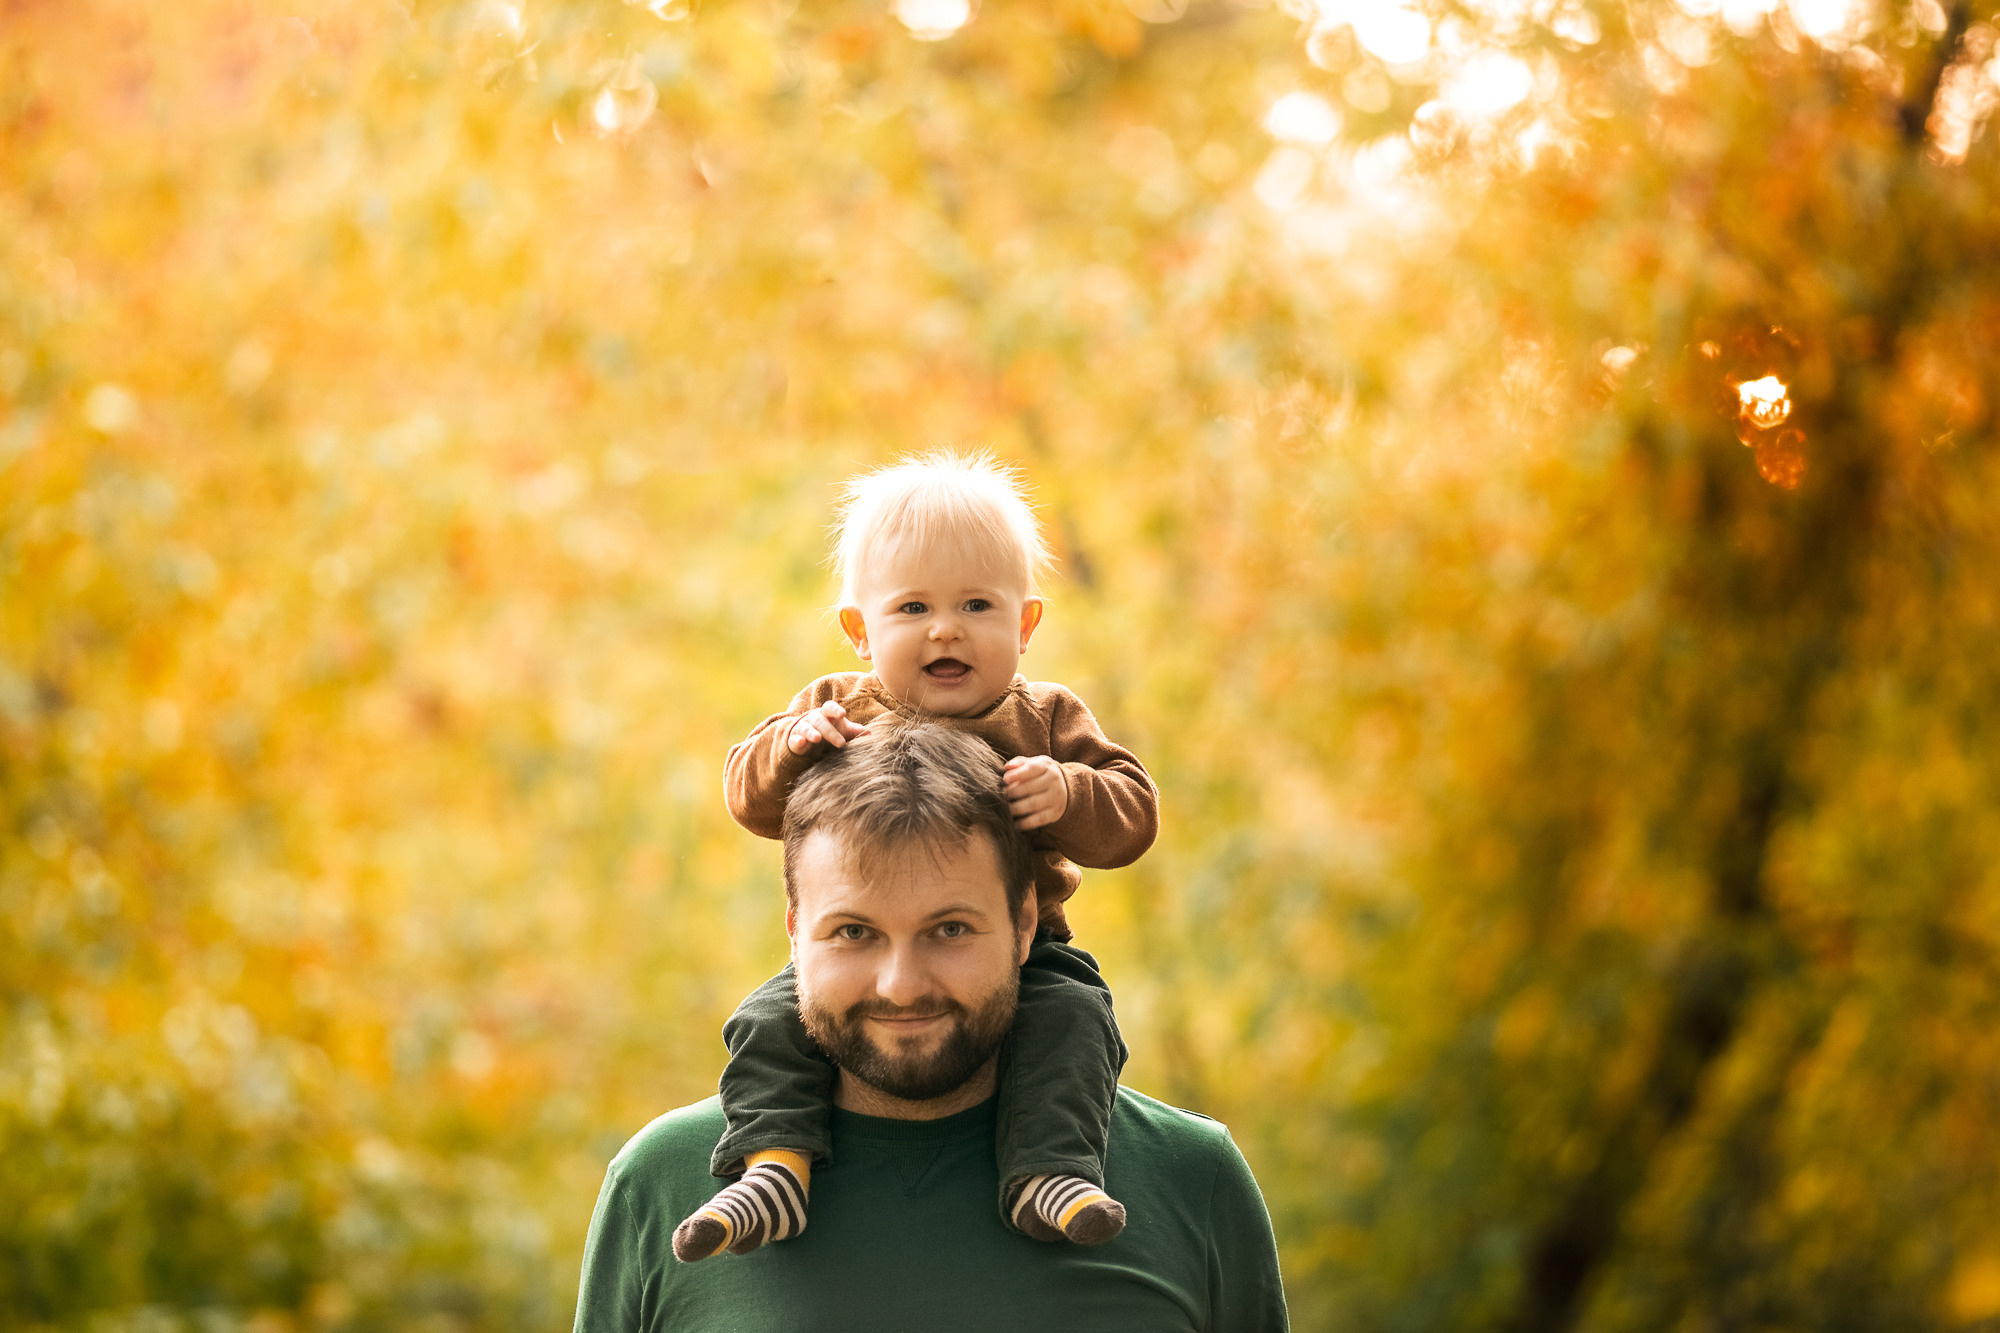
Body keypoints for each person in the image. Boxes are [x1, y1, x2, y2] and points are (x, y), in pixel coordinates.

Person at [572, 725, 1289, 1332]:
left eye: (949, 928)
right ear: (795, 934)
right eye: (854, 931)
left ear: (1024, 925)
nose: (901, 984)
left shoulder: (1194, 1179)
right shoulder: (660, 1182)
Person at [676, 452, 1159, 1262]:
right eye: (912, 607)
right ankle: (775, 1166)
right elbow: (746, 795)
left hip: (1022, 957)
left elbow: (1135, 811)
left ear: (1026, 625)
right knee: (768, 1021)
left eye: (977, 604)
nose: (946, 628)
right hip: (857, 955)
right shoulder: (835, 708)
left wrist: (1070, 793)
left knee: (1074, 1022)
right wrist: (791, 749)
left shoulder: (1042, 719)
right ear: (860, 631)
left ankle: (1049, 1170)